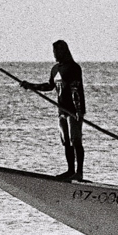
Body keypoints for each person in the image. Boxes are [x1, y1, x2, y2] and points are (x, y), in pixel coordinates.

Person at [21, 40, 87, 180]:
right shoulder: (55, 69)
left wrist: (79, 111)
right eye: (54, 52)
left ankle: (79, 172)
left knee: (76, 141)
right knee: (66, 141)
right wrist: (31, 86)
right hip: (62, 111)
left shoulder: (73, 68)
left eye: (57, 51)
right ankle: (70, 170)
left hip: (73, 111)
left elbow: (76, 90)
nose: (55, 54)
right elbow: (50, 86)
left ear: (64, 51)